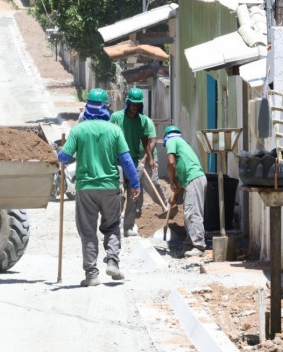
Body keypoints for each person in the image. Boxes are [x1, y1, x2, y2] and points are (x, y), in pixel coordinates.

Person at [58, 88, 141, 286]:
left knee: (87, 231)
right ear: (106, 107)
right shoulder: (114, 130)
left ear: (87, 106)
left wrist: (61, 150)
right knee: (112, 226)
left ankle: (92, 275)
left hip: (86, 188)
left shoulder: (78, 130)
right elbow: (126, 160)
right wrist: (135, 184)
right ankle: (112, 261)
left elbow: (64, 157)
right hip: (110, 186)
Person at [109, 87, 156, 237]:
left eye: (138, 104)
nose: (135, 107)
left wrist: (150, 158)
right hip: (117, 161)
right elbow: (108, 138)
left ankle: (128, 226)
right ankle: (114, 225)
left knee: (133, 195)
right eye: (133, 104)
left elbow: (145, 141)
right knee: (117, 195)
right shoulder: (116, 117)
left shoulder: (142, 120)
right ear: (128, 102)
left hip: (134, 162)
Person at [164, 126, 207, 257]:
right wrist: (175, 196)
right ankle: (189, 244)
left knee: (193, 213)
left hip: (194, 180)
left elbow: (170, 163)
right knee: (189, 213)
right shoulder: (183, 146)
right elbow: (181, 183)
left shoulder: (172, 140)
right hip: (193, 180)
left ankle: (199, 246)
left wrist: (171, 181)